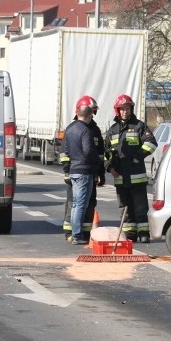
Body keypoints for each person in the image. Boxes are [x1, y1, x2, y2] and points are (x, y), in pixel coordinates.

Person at [104, 94, 157, 243]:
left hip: (137, 176)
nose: (125, 112)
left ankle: (144, 234)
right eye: (122, 109)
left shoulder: (139, 126)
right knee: (125, 208)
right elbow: (106, 153)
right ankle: (130, 235)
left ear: (131, 109)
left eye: (127, 109)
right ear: (117, 111)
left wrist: (137, 156)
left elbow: (151, 143)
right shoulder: (113, 130)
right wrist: (110, 168)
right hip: (120, 177)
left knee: (140, 208)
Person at [60, 96, 105, 242]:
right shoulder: (85, 130)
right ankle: (75, 234)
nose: (93, 115)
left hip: (80, 171)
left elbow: (99, 150)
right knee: (78, 204)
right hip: (84, 170)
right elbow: (87, 152)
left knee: (85, 204)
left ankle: (81, 233)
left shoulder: (75, 129)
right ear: (88, 113)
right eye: (92, 112)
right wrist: (96, 162)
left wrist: (100, 172)